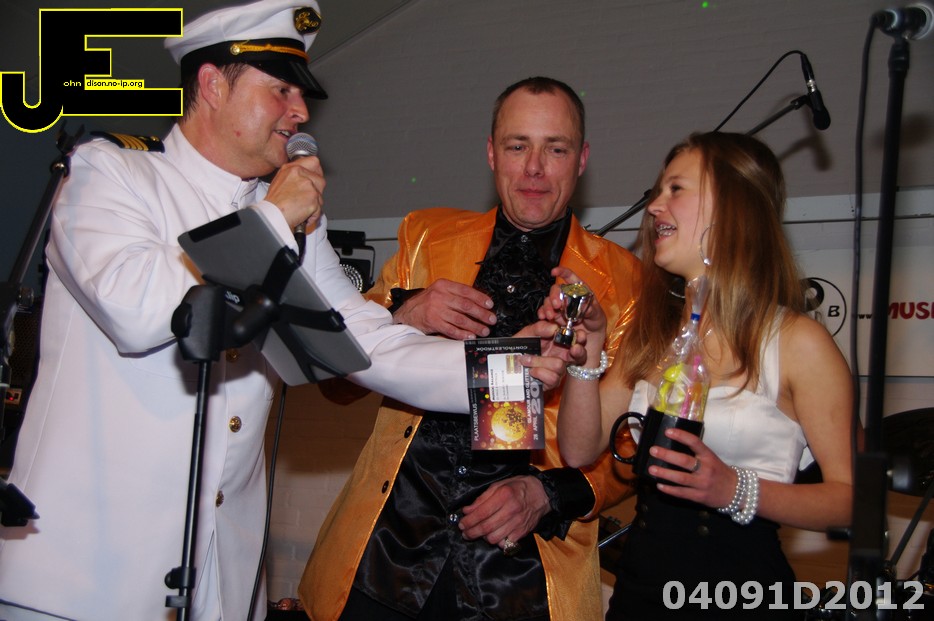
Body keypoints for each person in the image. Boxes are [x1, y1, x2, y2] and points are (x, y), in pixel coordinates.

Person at [0, 4, 574, 620]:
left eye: (301, 95)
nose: (300, 112)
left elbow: (361, 340)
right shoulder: (111, 172)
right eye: (281, 90)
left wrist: (511, 374)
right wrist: (274, 219)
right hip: (85, 577)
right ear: (211, 85)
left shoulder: (291, 218)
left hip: (219, 583)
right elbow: (137, 312)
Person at [298, 76, 642, 621]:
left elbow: (630, 447)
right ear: (491, 154)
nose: (534, 168)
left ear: (581, 160)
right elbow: (334, 385)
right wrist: (403, 315)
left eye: (555, 149)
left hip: (523, 581)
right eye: (517, 146)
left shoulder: (625, 284)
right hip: (386, 559)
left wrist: (548, 494)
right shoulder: (425, 239)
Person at [549, 131, 855, 619]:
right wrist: (587, 357)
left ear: (733, 208)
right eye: (659, 191)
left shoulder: (797, 343)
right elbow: (579, 450)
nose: (654, 206)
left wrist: (735, 489)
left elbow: (851, 501)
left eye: (676, 189)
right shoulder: (654, 333)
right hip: (641, 596)